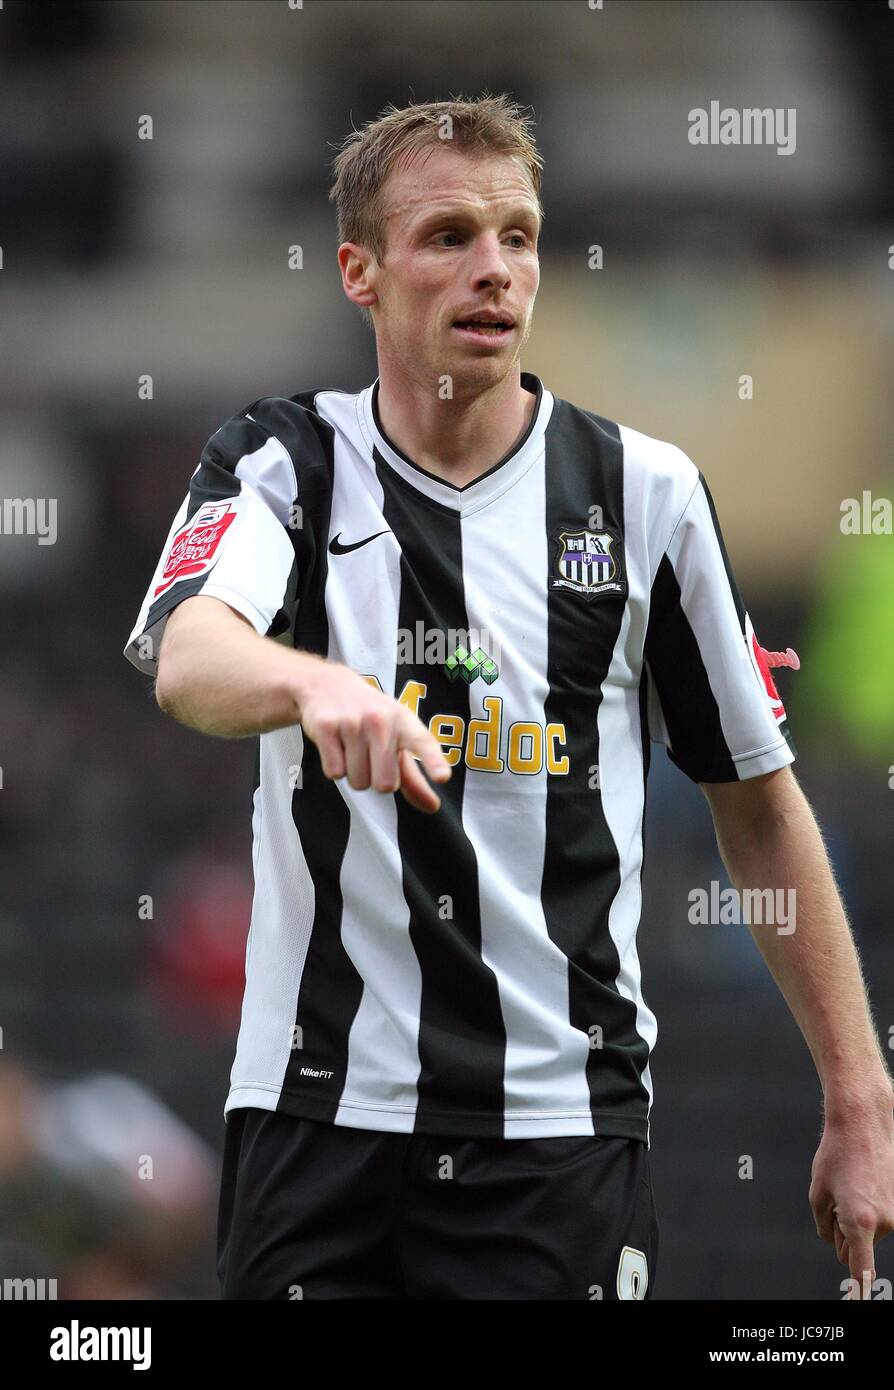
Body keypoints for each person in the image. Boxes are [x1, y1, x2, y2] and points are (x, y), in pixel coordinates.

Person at [124, 95, 894, 1301]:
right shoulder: (285, 464)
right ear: (360, 273)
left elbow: (759, 806)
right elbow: (191, 658)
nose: (494, 270)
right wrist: (316, 682)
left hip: (558, 1134)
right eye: (447, 238)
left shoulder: (646, 494)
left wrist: (860, 1096)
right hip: (316, 1119)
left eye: (519, 235)